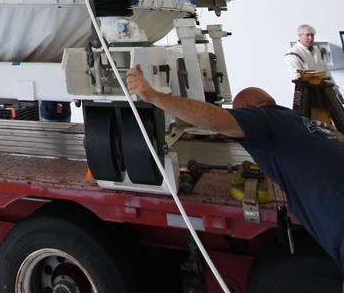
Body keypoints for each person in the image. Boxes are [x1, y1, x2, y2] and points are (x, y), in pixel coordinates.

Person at [126, 64, 344, 275]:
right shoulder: (295, 121)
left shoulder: (263, 118)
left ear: (249, 109)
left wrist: (153, 96)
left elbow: (217, 120)